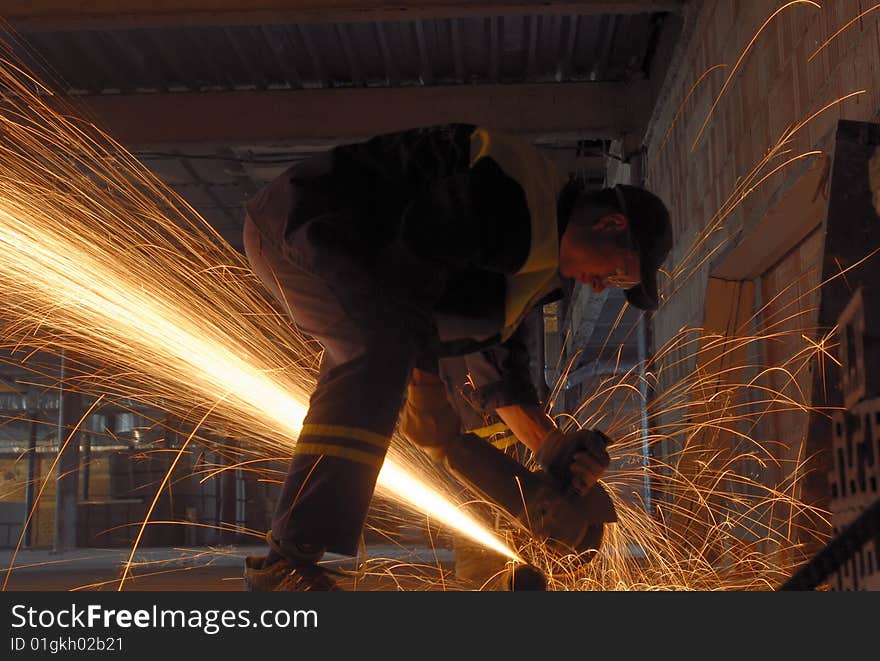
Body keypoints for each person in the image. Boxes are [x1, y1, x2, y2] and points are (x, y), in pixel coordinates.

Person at [240, 123, 672, 591]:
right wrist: (425, 387)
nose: (598, 285)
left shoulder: (535, 259)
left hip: (350, 254)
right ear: (611, 225)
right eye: (615, 273)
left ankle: (290, 556)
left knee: (389, 349)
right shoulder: (512, 199)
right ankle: (288, 562)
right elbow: (414, 260)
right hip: (306, 223)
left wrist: (551, 447)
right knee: (380, 350)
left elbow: (497, 362)